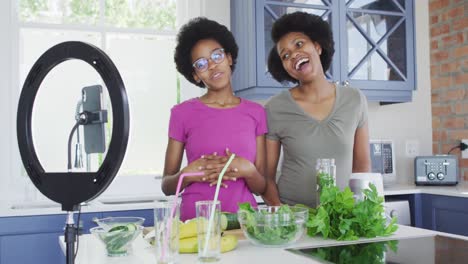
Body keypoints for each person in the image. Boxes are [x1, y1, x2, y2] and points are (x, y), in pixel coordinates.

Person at [162, 17, 267, 221]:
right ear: (195, 76)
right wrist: (187, 174)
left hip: (244, 223)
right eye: (201, 64)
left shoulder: (256, 113)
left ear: (228, 57)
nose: (212, 65)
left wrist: (248, 170)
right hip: (195, 223)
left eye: (216, 55)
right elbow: (167, 186)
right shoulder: (181, 113)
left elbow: (261, 186)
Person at [261, 12, 371, 208]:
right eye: (285, 55)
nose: (293, 54)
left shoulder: (354, 99)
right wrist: (283, 216)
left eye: (299, 44)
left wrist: (355, 213)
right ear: (285, 67)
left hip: (340, 218)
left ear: (318, 47)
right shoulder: (275, 108)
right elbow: (266, 177)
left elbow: (362, 166)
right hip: (293, 215)